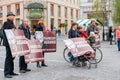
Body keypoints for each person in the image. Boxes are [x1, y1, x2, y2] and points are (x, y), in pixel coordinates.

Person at [2, 12, 18, 78]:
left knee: (12, 57)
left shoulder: (13, 23)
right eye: (11, 16)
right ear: (8, 17)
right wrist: (11, 30)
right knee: (8, 58)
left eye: (13, 16)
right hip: (8, 43)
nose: (13, 17)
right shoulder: (6, 23)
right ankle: (6, 73)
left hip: (13, 43)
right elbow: (5, 32)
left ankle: (11, 71)